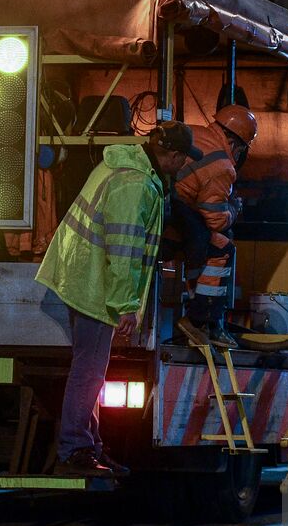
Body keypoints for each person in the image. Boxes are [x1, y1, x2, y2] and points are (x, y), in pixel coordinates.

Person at [35, 122, 200, 477]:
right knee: (89, 370)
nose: (184, 166)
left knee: (91, 370)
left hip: (83, 275)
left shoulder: (126, 167)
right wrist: (126, 305)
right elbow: (123, 250)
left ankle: (88, 445)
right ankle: (74, 449)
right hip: (93, 284)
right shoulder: (134, 184)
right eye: (183, 159)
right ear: (170, 155)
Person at [168, 104, 258, 348]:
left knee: (201, 244)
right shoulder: (223, 166)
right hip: (173, 220)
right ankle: (201, 320)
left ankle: (204, 317)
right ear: (237, 144)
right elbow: (215, 219)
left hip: (164, 209)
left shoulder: (194, 132)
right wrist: (233, 209)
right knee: (222, 246)